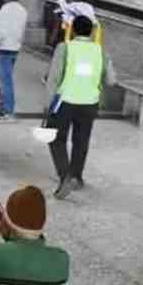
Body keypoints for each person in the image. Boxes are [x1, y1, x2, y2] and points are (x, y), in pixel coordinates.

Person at [45, 15, 115, 199]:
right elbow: (112, 80)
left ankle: (64, 175)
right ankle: (77, 176)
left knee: (56, 139)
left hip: (65, 102)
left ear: (73, 30)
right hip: (90, 103)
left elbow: (53, 78)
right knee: (81, 140)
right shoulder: (100, 51)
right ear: (91, 32)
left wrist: (47, 105)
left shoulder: (65, 48)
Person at [0, 0, 28, 122]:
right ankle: (4, 106)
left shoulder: (3, 10)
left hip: (1, 48)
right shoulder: (23, 11)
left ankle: (8, 112)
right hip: (14, 48)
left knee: (5, 82)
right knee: (7, 79)